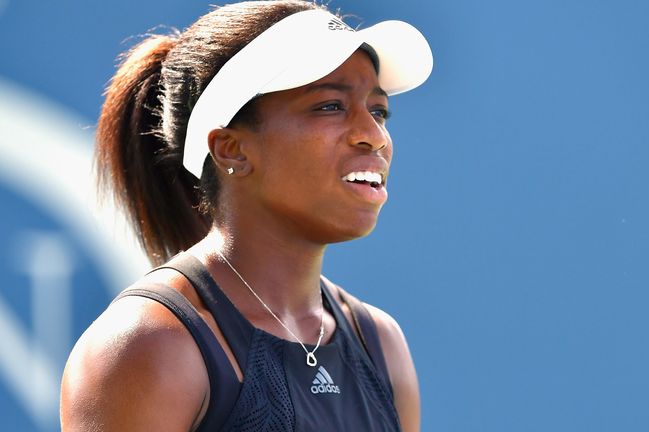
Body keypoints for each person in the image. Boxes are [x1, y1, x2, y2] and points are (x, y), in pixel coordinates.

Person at [59, 1, 432, 431]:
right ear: (231, 149)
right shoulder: (148, 345)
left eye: (379, 110)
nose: (374, 135)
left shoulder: (380, 342)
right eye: (330, 106)